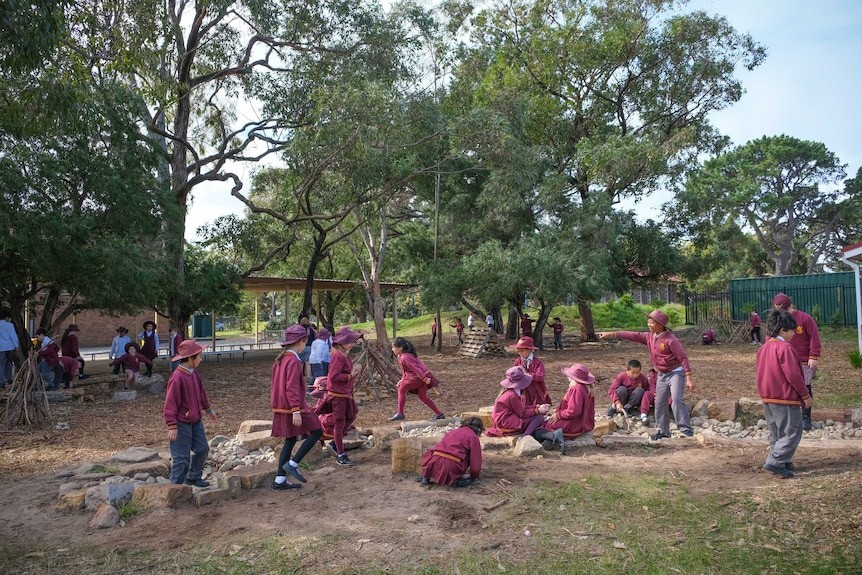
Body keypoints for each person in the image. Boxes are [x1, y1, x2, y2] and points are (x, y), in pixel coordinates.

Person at [598, 310, 696, 440]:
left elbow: (683, 358)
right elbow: (631, 335)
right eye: (649, 321)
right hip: (661, 374)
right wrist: (611, 334)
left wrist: (689, 377)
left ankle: (685, 429)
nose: (649, 324)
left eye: (652, 322)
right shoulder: (649, 337)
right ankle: (663, 431)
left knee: (677, 400)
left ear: (661, 325)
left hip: (675, 373)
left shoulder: (671, 340)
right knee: (660, 402)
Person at [756, 309, 812, 478]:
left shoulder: (764, 348)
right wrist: (805, 395)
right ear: (783, 330)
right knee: (792, 431)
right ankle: (776, 460)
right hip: (785, 397)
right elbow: (793, 375)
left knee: (777, 432)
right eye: (792, 330)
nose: (794, 334)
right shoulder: (785, 349)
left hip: (768, 397)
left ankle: (782, 460)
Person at [271, 324, 324, 489]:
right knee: (317, 431)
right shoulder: (293, 360)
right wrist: (296, 410)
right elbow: (291, 387)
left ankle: (279, 480)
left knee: (291, 439)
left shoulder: (281, 359)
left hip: (282, 406)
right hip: (294, 407)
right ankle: (293, 464)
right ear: (301, 341)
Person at [164, 339, 217, 488]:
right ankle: (176, 488)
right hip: (181, 424)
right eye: (199, 356)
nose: (201, 359)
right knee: (181, 459)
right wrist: (172, 426)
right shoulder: (177, 378)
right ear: (191, 358)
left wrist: (209, 410)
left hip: (196, 421)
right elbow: (170, 404)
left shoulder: (194, 374)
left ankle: (193, 477)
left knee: (202, 449)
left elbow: (201, 394)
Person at [772, 293, 821, 431]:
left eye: (784, 310)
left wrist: (814, 356)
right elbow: (770, 337)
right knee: (785, 388)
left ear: (790, 306)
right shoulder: (777, 320)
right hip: (783, 359)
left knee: (804, 387)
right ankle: (787, 418)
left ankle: (806, 417)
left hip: (803, 360)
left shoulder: (805, 319)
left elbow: (814, 337)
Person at [535, 363, 597, 454]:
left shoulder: (576, 389)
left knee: (538, 431)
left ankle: (555, 437)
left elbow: (574, 411)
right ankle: (553, 440)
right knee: (544, 426)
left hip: (574, 424)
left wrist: (558, 415)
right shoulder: (586, 389)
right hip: (583, 423)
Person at [324, 326, 363, 466]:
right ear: (341, 342)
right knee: (339, 422)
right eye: (349, 341)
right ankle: (341, 455)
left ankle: (336, 441)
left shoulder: (344, 354)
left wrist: (351, 374)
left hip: (345, 392)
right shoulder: (338, 355)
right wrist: (349, 375)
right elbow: (334, 376)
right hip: (337, 394)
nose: (352, 343)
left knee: (352, 415)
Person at [388, 337, 445, 422]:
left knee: (401, 389)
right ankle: (439, 414)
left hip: (418, 377)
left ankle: (400, 413)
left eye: (394, 347)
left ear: (400, 348)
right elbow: (405, 371)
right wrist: (402, 380)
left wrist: (424, 378)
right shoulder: (401, 356)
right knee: (422, 397)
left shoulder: (404, 357)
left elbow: (415, 369)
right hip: (420, 376)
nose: (392, 349)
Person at [485, 366, 551, 438]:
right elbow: (522, 413)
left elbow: (521, 408)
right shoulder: (512, 396)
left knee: (537, 417)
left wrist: (537, 407)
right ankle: (525, 437)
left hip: (506, 419)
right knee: (539, 418)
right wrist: (537, 410)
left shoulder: (511, 392)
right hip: (505, 422)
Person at [419, 417, 484, 487]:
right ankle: (455, 480)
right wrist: (473, 476)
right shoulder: (473, 437)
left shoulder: (452, 432)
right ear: (479, 429)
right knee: (464, 456)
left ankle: (426, 476)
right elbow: (475, 462)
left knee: (436, 453)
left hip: (433, 462)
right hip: (451, 466)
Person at [511, 336, 551, 407]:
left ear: (529, 350)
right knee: (524, 406)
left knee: (537, 407)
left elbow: (540, 376)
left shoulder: (537, 362)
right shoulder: (518, 361)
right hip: (523, 390)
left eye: (522, 351)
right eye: (518, 351)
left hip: (535, 390)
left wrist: (526, 373)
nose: (520, 353)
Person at [0, 310, 19, 388]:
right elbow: (13, 336)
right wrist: (16, 345)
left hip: (1, 348)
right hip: (9, 347)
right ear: (7, 318)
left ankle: (1, 382)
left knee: (1, 365)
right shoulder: (10, 325)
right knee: (9, 363)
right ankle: (9, 379)